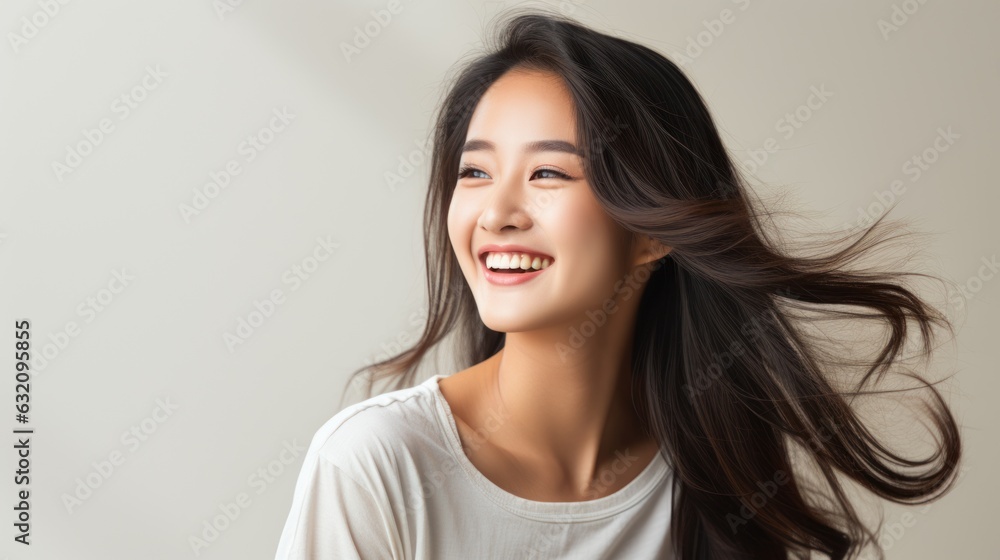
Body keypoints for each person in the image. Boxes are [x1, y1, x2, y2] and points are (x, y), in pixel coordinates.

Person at [275, 8, 962, 559]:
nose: (497, 215)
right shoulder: (376, 466)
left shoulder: (711, 477)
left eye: (548, 174)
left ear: (652, 230)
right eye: (475, 173)